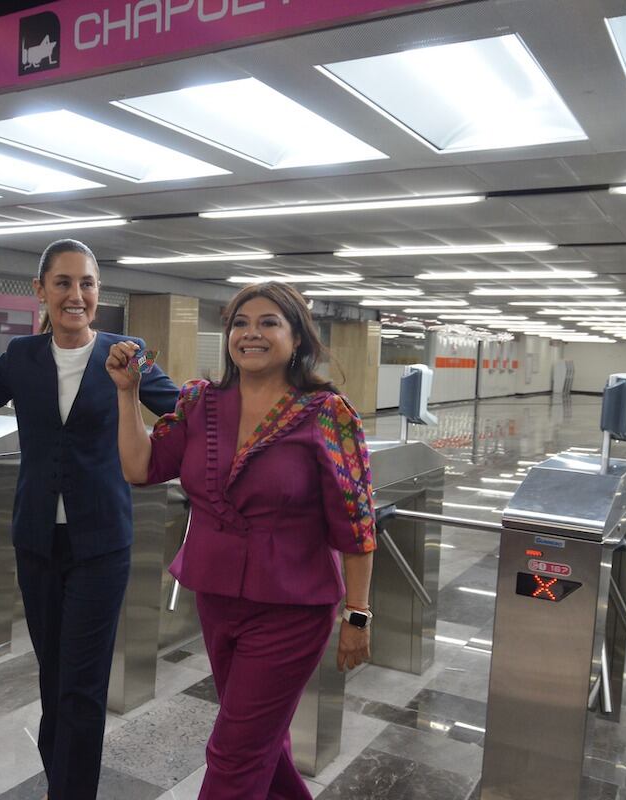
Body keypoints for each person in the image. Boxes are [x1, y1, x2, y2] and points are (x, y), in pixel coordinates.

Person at [0, 239, 178, 799]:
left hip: (102, 543)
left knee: (82, 684)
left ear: (98, 291)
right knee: (54, 675)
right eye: (63, 283)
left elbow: (182, 409)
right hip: (38, 542)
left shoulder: (127, 354)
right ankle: (62, 783)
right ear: (40, 290)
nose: (76, 295)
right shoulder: (22, 356)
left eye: (87, 283)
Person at [108, 281, 377, 800]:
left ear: (297, 338)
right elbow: (140, 467)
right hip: (216, 598)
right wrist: (127, 393)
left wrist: (358, 614)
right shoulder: (198, 402)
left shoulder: (327, 413)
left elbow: (356, 521)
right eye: (240, 323)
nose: (251, 333)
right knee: (259, 742)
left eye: (269, 322)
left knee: (234, 753)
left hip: (291, 609)